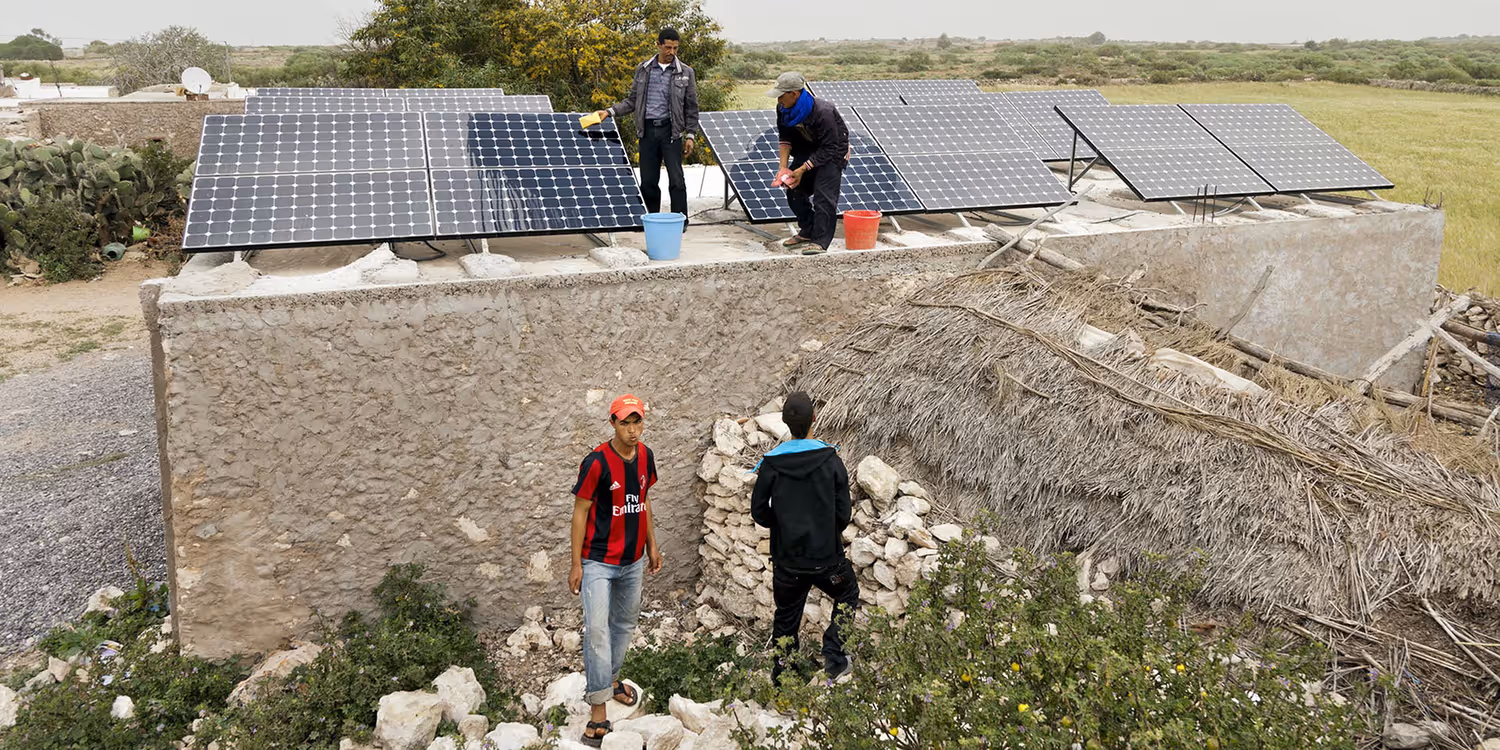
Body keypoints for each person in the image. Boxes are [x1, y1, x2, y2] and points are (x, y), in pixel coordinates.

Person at [569, 394, 664, 747]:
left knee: (623, 625)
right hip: (597, 561)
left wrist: (652, 545)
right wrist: (576, 562)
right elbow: (580, 512)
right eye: (625, 422)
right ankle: (597, 709)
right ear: (613, 423)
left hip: (632, 560)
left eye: (637, 421)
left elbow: (645, 499)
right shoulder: (596, 462)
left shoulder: (646, 456)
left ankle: (610, 680)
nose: (632, 429)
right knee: (596, 630)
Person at [749, 391, 859, 684]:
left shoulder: (772, 465)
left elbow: (759, 512)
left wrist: (783, 526)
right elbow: (843, 513)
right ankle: (835, 656)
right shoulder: (831, 461)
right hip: (827, 560)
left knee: (786, 618)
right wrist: (825, 533)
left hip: (788, 563)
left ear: (785, 424)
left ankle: (784, 678)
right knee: (847, 594)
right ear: (814, 419)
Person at [593, 28, 700, 227]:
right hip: (648, 131)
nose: (672, 52)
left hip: (672, 132)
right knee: (649, 182)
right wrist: (609, 111)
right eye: (668, 47)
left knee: (677, 180)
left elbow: (692, 107)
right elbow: (632, 100)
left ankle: (680, 222)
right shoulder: (644, 69)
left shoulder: (686, 73)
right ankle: (651, 221)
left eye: (675, 48)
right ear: (658, 45)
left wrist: (691, 135)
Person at [767, 72, 850, 256]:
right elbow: (785, 137)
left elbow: (829, 148)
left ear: (794, 94)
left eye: (781, 95)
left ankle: (820, 241)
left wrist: (803, 169)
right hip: (807, 149)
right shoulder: (783, 109)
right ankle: (807, 230)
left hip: (833, 153)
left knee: (823, 196)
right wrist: (783, 167)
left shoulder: (823, 111)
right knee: (793, 188)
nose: (779, 99)